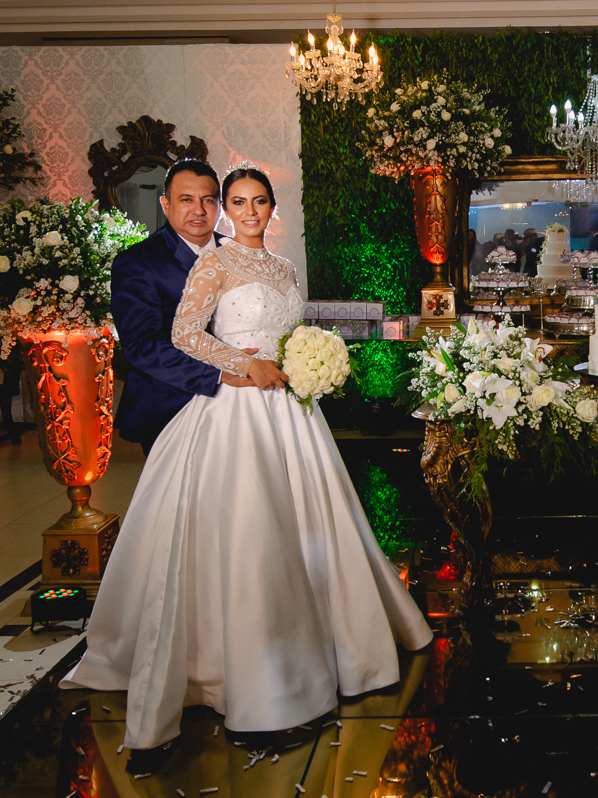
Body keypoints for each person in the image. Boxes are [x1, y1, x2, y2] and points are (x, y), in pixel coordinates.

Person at [61, 163, 434, 761]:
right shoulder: (196, 261)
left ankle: (333, 643)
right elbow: (175, 336)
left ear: (265, 207)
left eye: (249, 201)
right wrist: (239, 368)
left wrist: (310, 359)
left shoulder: (282, 267)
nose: (237, 211)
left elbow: (284, 330)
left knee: (306, 526)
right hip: (219, 406)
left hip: (288, 411)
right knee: (237, 532)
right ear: (170, 205)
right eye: (229, 201)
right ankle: (233, 667)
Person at [110, 160, 257, 456]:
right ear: (166, 205)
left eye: (208, 200)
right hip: (170, 403)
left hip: (241, 400)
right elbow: (142, 345)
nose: (199, 210)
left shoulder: (239, 252)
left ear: (220, 205)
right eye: (186, 200)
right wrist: (219, 374)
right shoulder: (137, 262)